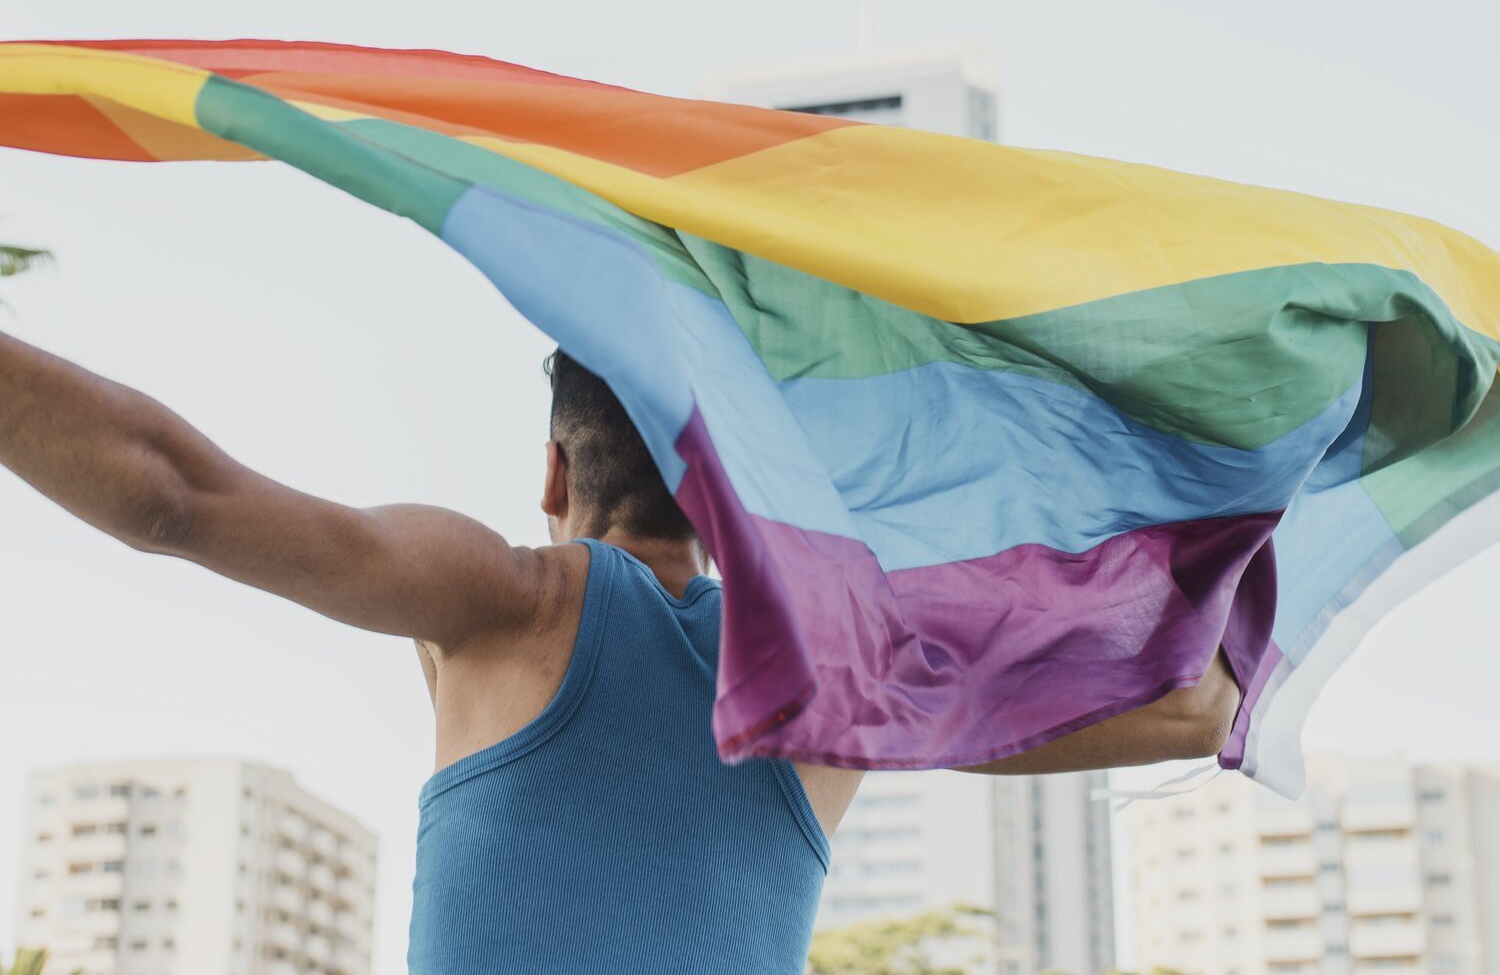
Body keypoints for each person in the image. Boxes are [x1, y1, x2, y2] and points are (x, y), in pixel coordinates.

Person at [0, 332, 1240, 972]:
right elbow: (1197, 710)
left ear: (551, 467)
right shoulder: (846, 677)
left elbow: (171, 495)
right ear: (742, 493)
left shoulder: (507, 600)